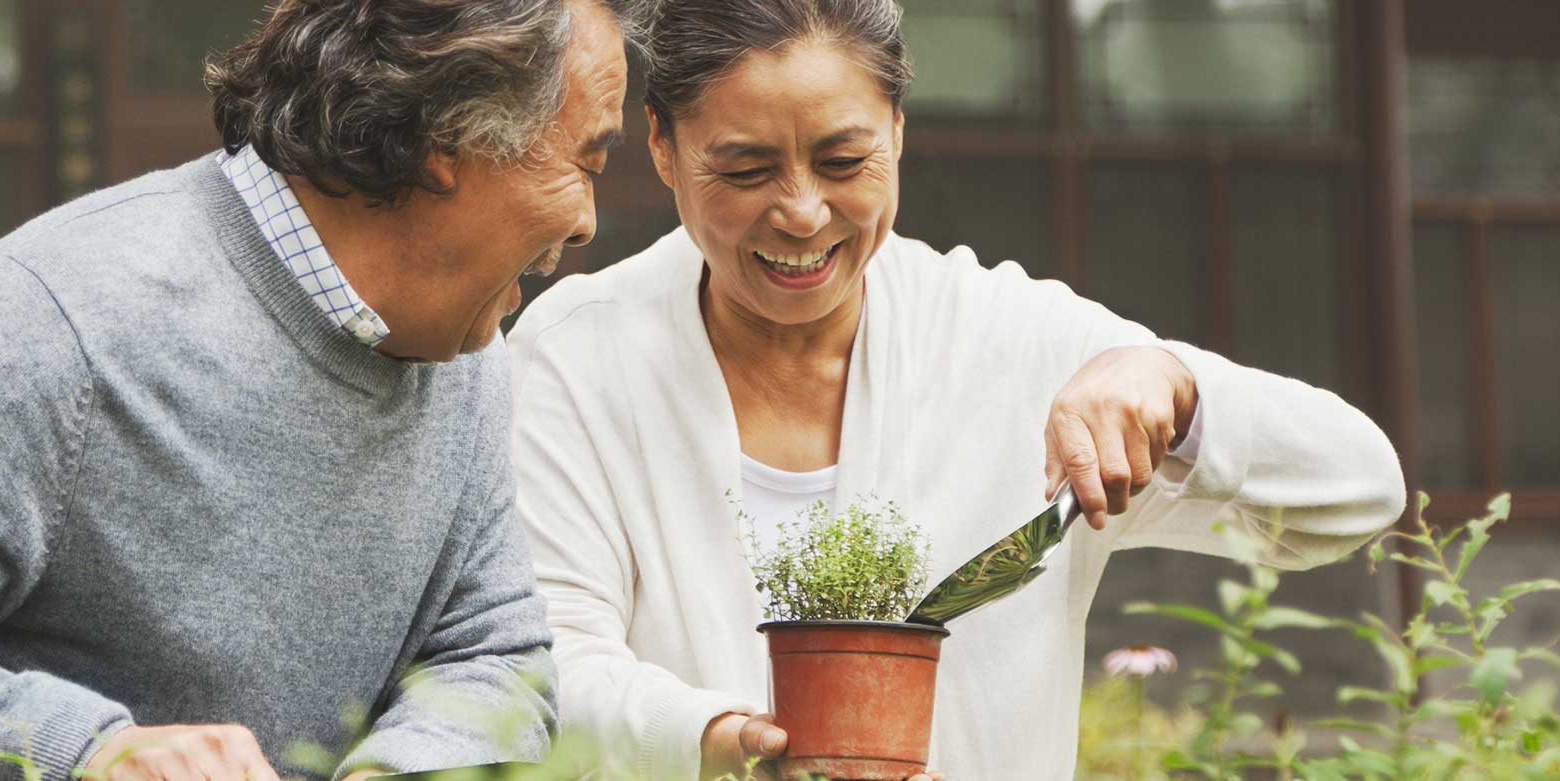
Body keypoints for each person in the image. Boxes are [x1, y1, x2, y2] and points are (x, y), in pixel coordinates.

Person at [0, 0, 640, 779]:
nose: (591, 218)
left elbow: (495, 653)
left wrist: (395, 767)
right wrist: (90, 750)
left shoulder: (463, 354)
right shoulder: (63, 316)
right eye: (587, 160)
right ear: (447, 137)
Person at [508, 0, 1407, 779]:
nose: (802, 212)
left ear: (898, 128)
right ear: (662, 146)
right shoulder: (581, 359)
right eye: (745, 170)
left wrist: (1177, 386)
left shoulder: (1012, 345)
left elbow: (1361, 488)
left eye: (843, 160)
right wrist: (721, 741)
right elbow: (544, 662)